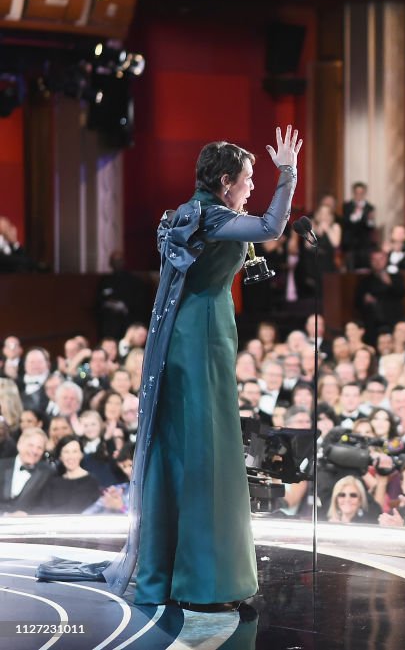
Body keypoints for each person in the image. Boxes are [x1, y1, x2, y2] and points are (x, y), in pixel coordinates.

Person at [36, 128, 303, 609]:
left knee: (189, 446)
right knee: (205, 450)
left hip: (200, 331)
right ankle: (203, 578)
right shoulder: (210, 215)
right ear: (225, 181)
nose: (251, 189)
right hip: (200, 337)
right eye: (247, 180)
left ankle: (174, 567)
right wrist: (288, 171)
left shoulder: (196, 212)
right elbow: (270, 226)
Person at [0, 428, 54, 514]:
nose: (34, 451)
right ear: (19, 445)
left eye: (39, 448)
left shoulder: (47, 473)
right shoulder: (1, 466)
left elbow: (46, 507)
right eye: (30, 445)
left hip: (28, 525)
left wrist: (27, 516)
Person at [42, 437, 101, 514]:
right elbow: (44, 509)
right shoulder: (53, 483)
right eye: (66, 452)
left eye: (75, 451)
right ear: (60, 457)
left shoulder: (92, 482)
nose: (71, 456)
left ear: (81, 455)